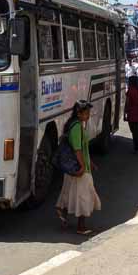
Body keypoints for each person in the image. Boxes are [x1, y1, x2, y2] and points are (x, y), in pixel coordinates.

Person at [56, 100, 101, 235]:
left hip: (75, 167)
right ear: (79, 113)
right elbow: (77, 149)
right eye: (86, 113)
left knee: (70, 192)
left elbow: (83, 149)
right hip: (80, 168)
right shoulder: (76, 127)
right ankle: (81, 227)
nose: (88, 115)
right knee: (84, 196)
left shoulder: (75, 125)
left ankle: (62, 211)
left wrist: (90, 162)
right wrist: (82, 165)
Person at [124, 79, 138, 155]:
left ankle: (136, 148)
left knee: (134, 131)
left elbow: (127, 102)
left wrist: (125, 112)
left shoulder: (130, 91)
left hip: (132, 113)